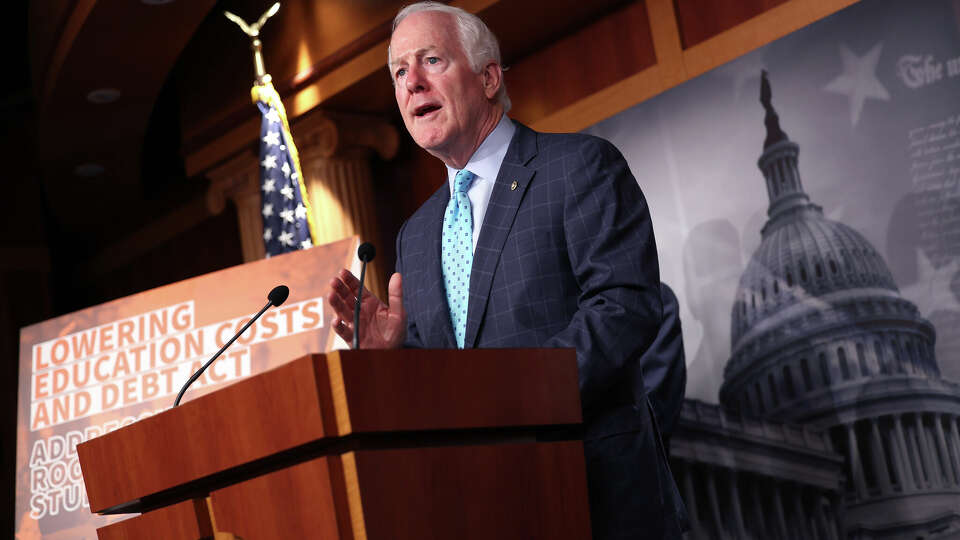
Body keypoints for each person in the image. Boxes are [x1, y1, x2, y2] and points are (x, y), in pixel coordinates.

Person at [327, 3, 687, 538]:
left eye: (431, 60)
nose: (412, 83)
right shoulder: (417, 233)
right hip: (485, 507)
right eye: (400, 72)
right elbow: (446, 379)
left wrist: (513, 398)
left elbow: (623, 307)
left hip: (596, 496)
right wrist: (395, 359)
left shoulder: (579, 167)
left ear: (489, 77)